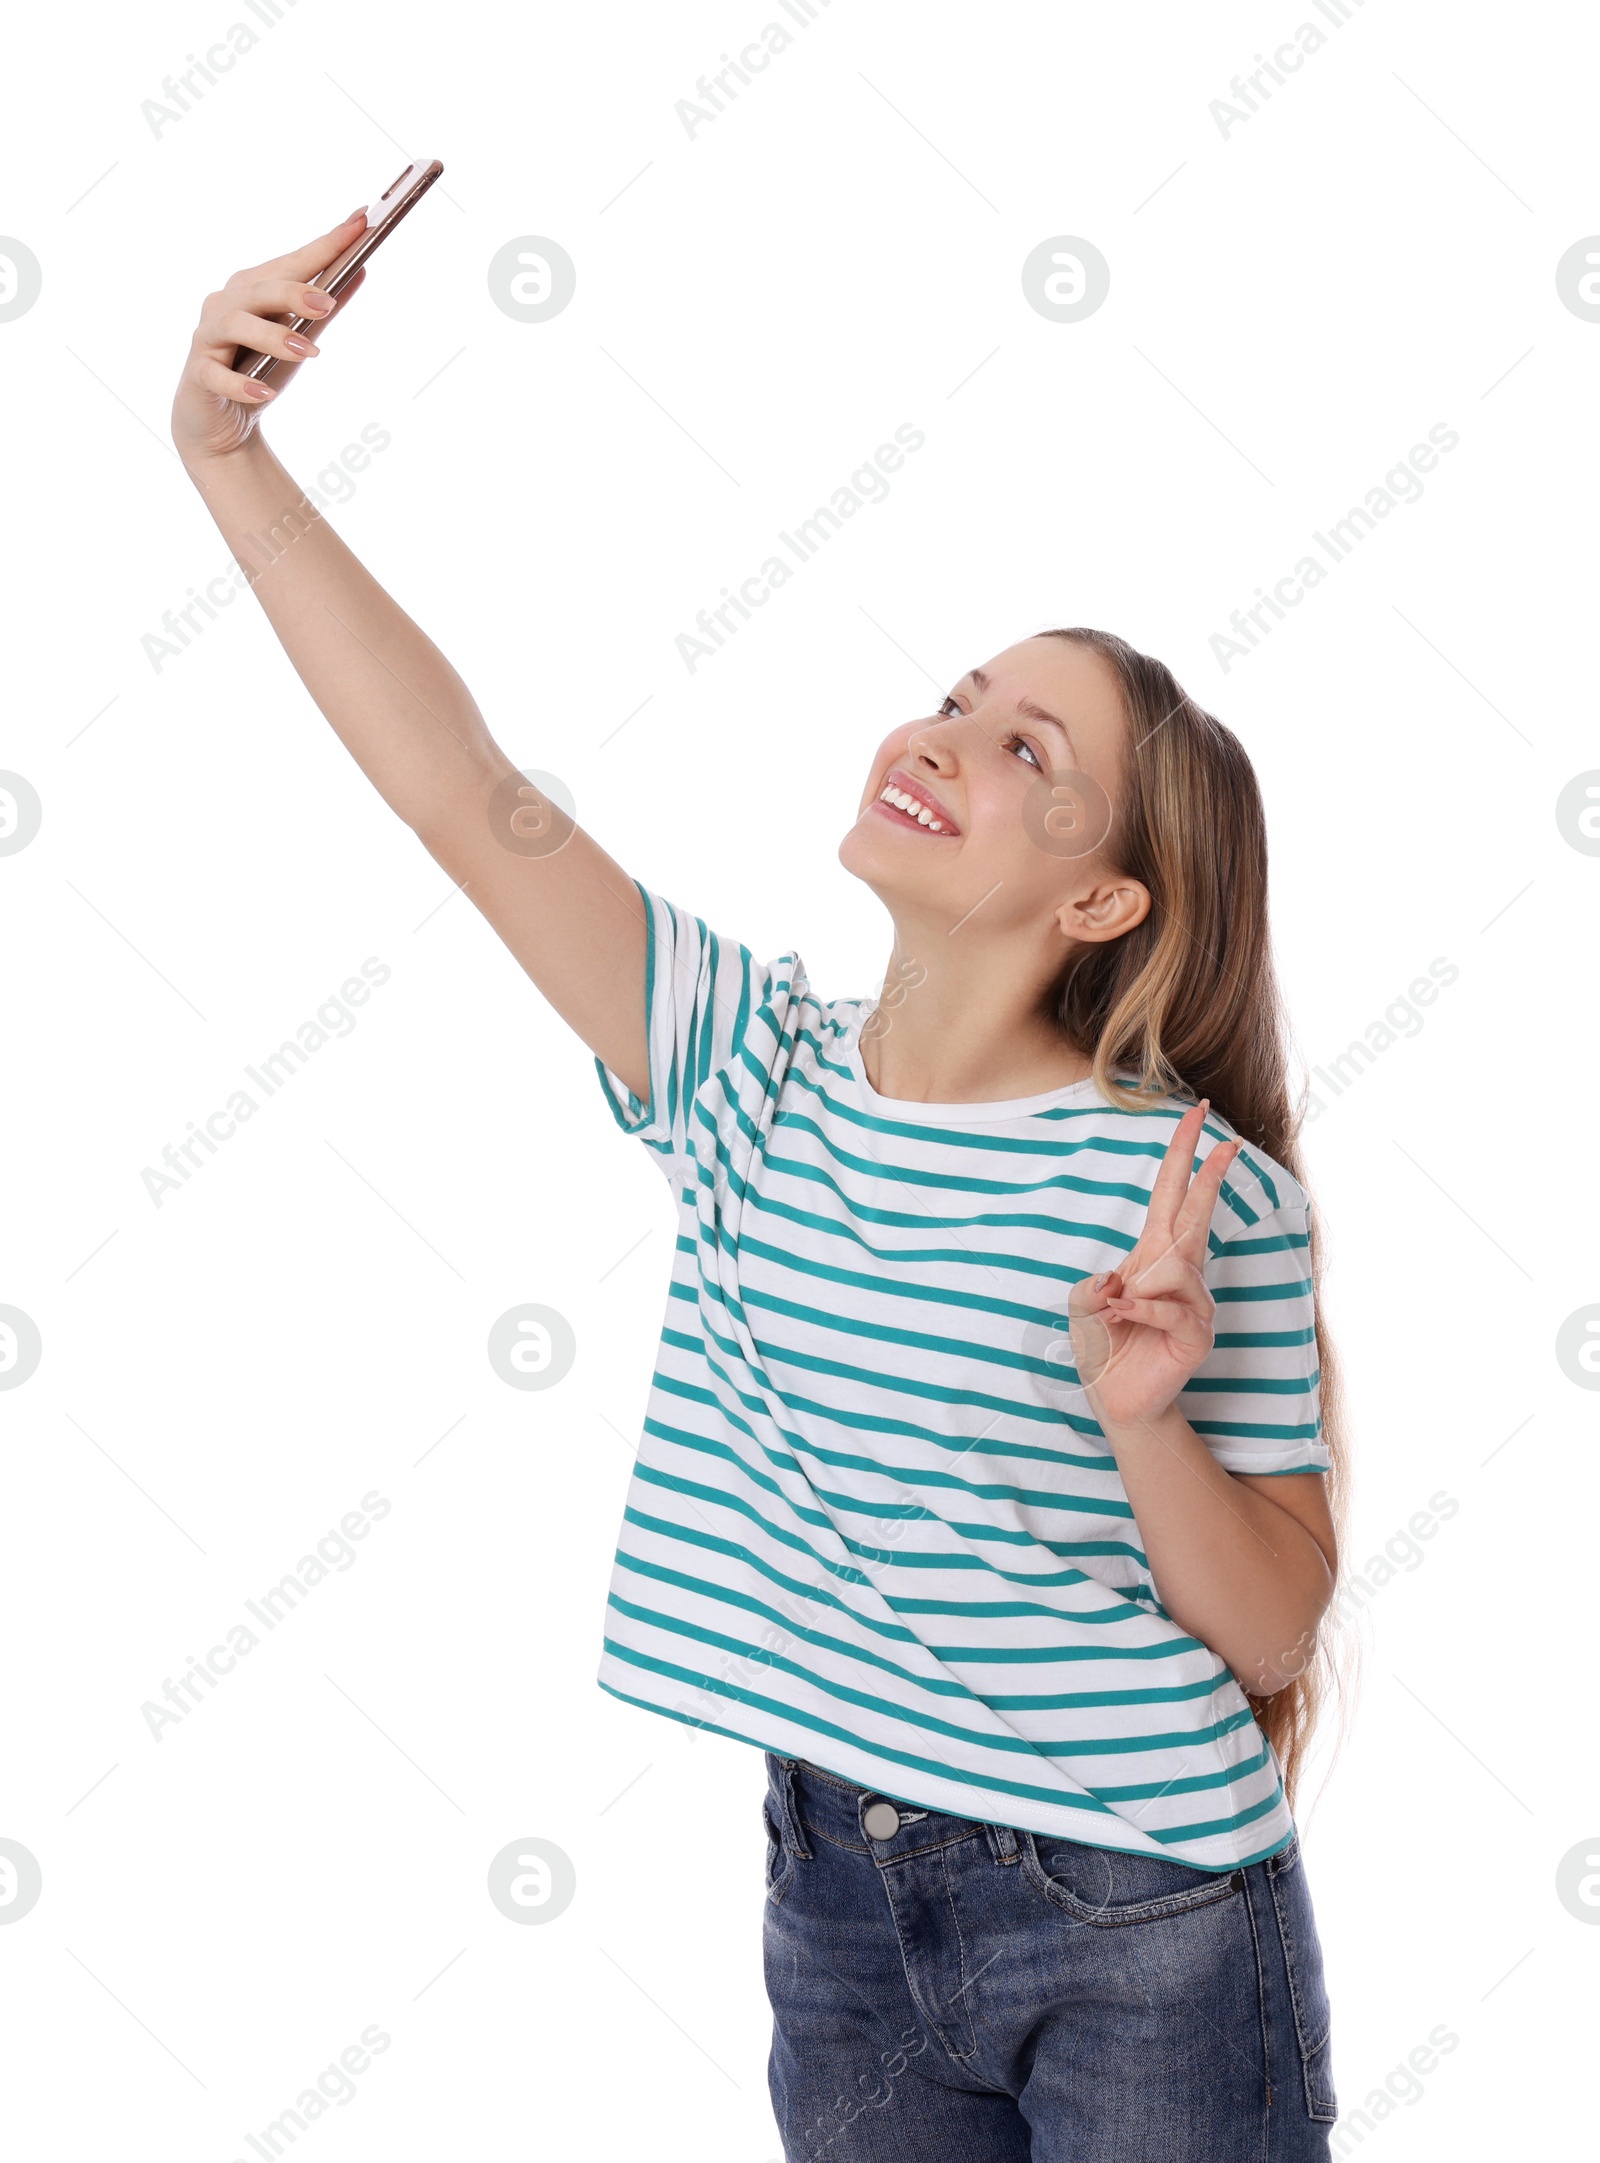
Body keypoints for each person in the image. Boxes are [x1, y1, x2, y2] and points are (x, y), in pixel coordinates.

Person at [173, 212, 1347, 2162]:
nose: (942, 735)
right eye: (958, 693)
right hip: (838, 1897)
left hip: (1143, 1910)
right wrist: (231, 459)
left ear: (1094, 900)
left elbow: (1275, 1625)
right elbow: (461, 788)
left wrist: (1145, 1423)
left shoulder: (1178, 1189)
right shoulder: (738, 1070)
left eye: (1021, 747)